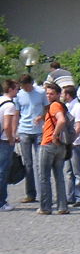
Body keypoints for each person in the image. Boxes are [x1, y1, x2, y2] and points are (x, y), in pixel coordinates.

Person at [37, 82, 69, 215]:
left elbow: (61, 120)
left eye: (51, 93)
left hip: (49, 144)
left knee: (44, 176)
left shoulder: (55, 105)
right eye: (47, 93)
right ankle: (62, 206)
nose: (49, 96)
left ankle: (45, 207)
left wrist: (54, 135)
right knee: (59, 176)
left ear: (57, 94)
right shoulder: (62, 105)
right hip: (61, 146)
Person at [15, 74, 45, 204]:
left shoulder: (41, 92)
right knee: (27, 164)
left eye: (26, 86)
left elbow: (47, 108)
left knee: (40, 163)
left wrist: (42, 117)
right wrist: (15, 130)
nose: (25, 89)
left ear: (31, 83)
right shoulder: (19, 95)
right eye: (23, 87)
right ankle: (30, 194)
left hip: (38, 131)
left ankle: (44, 193)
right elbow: (17, 113)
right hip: (24, 131)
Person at [63, 84, 80, 208]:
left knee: (77, 171)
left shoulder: (78, 108)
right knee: (68, 171)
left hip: (76, 143)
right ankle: (70, 196)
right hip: (69, 142)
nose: (62, 96)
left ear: (68, 95)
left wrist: (70, 140)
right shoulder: (68, 106)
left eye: (63, 93)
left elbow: (78, 128)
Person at [0, 79, 18, 212]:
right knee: (3, 171)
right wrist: (11, 138)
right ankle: (1, 201)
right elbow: (7, 125)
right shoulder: (10, 105)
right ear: (10, 89)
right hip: (4, 141)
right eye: (16, 89)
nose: (18, 91)